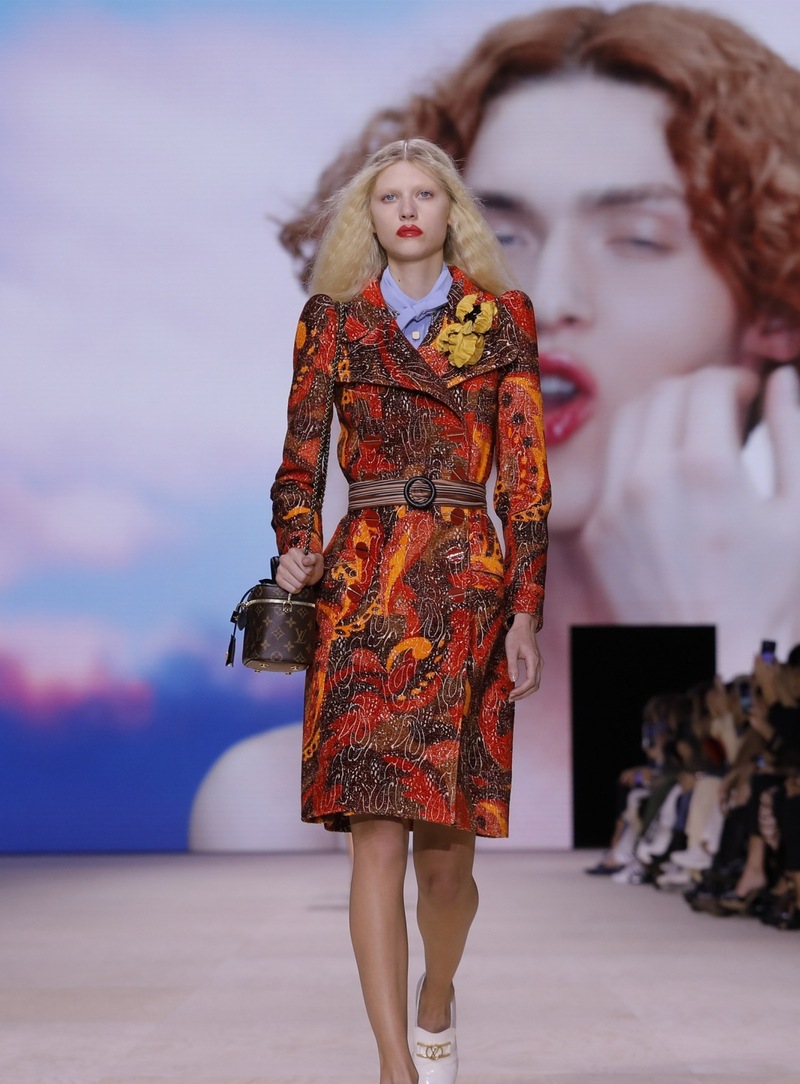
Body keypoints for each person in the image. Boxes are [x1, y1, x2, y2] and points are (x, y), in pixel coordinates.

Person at [279, 2, 800, 844]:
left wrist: (724, 654)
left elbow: (665, 909)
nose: (547, 297)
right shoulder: (267, 804)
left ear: (774, 298)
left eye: (637, 239)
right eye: (502, 233)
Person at [270, 138, 549, 1084]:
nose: (405, 208)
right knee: (375, 836)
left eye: (423, 193)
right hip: (363, 590)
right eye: (388, 196)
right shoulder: (334, 324)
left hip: (466, 590)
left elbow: (526, 479)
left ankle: (437, 996)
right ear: (370, 216)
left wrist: (526, 608)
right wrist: (295, 543)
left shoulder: (501, 322)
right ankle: (393, 1076)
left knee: (445, 862)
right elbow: (300, 461)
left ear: (449, 210)